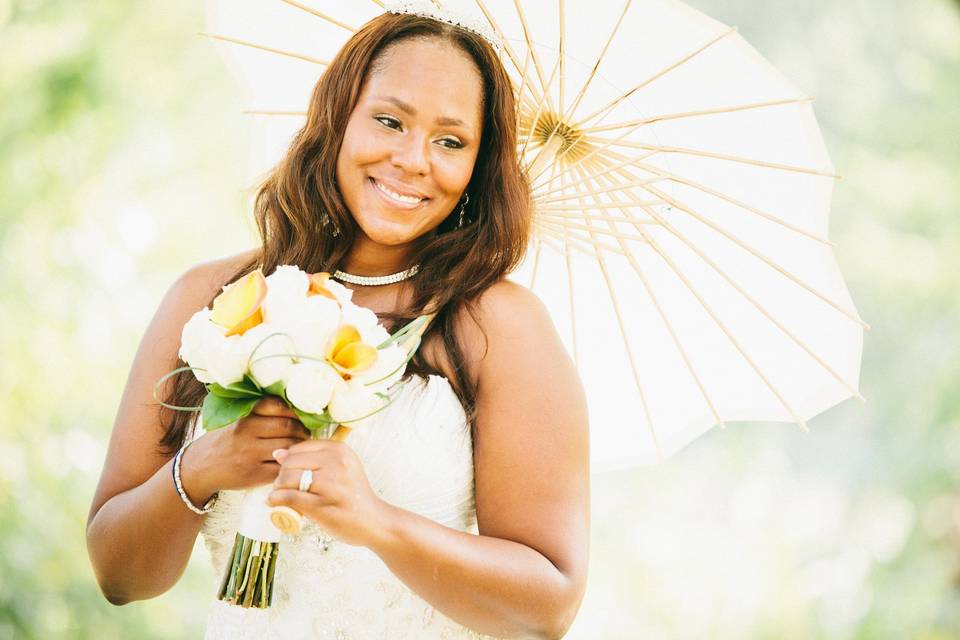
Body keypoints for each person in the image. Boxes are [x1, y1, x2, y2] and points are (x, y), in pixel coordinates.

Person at [86, 7, 589, 639]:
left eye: (450, 140)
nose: (412, 159)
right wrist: (204, 467)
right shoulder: (212, 297)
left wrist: (375, 521)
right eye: (389, 121)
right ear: (339, 118)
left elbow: (547, 610)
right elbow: (118, 576)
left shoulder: (499, 328)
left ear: (477, 166)